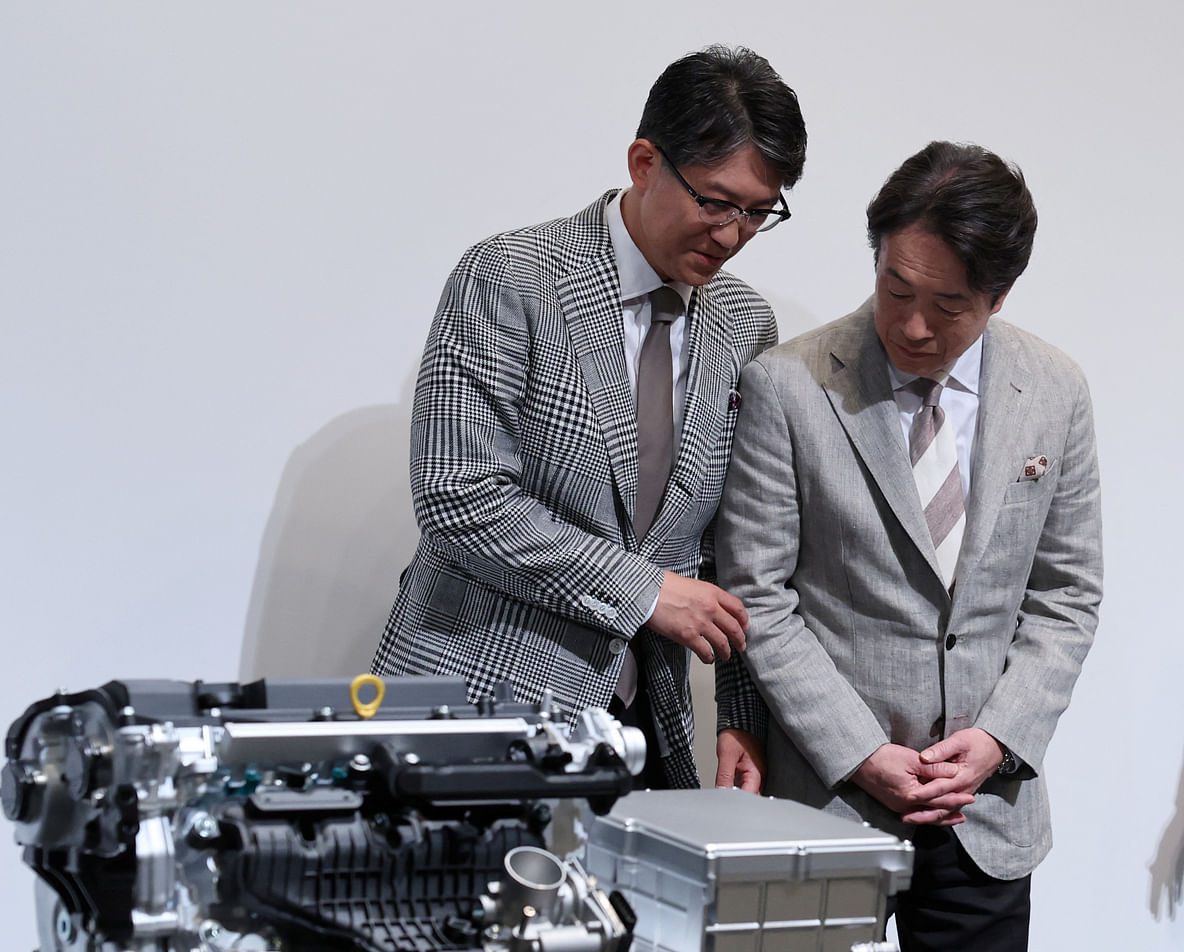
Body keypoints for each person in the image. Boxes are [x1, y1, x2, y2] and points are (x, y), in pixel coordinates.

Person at [371, 46, 807, 789]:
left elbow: (739, 548)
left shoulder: (743, 325)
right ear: (644, 162)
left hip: (641, 731)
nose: (732, 235)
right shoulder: (511, 277)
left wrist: (741, 715)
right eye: (715, 201)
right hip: (478, 703)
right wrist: (643, 591)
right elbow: (457, 495)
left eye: (758, 213)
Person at [713, 141, 1102, 949]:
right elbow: (758, 594)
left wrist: (999, 739)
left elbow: (1067, 593)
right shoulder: (788, 385)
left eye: (949, 306)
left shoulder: (1055, 389)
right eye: (896, 288)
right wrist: (859, 751)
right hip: (825, 802)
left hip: (984, 811)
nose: (914, 326)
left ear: (998, 296)